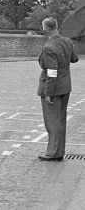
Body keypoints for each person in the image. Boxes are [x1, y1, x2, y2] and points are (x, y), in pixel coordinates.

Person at [37, 17, 79, 162]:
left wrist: (48, 93)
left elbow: (51, 71)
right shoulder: (67, 41)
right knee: (61, 120)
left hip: (53, 89)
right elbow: (74, 59)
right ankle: (59, 150)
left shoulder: (49, 47)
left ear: (45, 29)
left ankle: (53, 152)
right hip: (65, 86)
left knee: (52, 122)